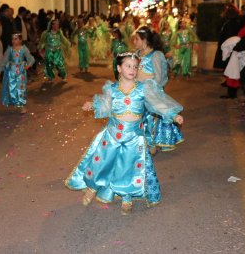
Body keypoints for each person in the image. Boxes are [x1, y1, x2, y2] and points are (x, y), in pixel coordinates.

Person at [65, 52, 183, 215]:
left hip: (134, 137)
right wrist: (92, 105)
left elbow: (157, 104)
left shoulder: (143, 88)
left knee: (129, 168)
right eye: (128, 66)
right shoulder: (112, 89)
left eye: (135, 66)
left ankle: (127, 197)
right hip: (113, 134)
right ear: (119, 68)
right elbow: (105, 106)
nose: (132, 69)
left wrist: (173, 115)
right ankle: (92, 187)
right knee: (101, 164)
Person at [133, 27, 183, 152]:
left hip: (150, 92)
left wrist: (149, 88)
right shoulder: (137, 54)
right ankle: (141, 144)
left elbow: (159, 78)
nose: (134, 42)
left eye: (136, 39)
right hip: (136, 92)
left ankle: (150, 144)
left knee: (149, 119)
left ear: (144, 40)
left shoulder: (155, 55)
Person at [0, 33, 35, 114]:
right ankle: (15, 101)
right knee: (12, 88)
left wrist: (28, 65)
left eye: (16, 39)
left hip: (21, 71)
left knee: (21, 88)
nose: (13, 41)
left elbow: (30, 58)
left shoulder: (24, 49)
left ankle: (22, 105)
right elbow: (4, 60)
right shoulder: (9, 49)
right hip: (11, 71)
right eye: (12, 39)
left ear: (20, 40)